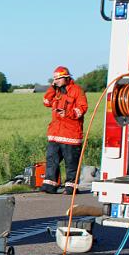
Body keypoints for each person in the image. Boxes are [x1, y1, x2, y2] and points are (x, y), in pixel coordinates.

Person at [41, 66, 88, 195]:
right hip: (55, 134)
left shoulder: (77, 91)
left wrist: (67, 113)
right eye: (54, 79)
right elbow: (46, 101)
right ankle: (50, 185)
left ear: (66, 78)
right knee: (52, 160)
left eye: (58, 79)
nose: (56, 81)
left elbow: (82, 109)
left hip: (71, 134)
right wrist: (52, 88)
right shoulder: (56, 91)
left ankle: (71, 188)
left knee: (71, 162)